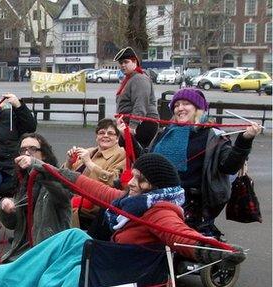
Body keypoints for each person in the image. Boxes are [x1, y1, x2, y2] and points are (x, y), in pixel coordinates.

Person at [0, 153, 246, 287]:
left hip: (121, 277)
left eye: (140, 179)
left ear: (156, 187)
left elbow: (181, 236)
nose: (131, 183)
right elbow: (90, 187)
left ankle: (8, 279)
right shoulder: (132, 201)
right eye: (134, 176)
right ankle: (12, 275)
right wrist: (45, 167)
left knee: (74, 245)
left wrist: (216, 251)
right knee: (74, 235)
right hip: (108, 268)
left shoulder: (161, 210)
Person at [119, 88, 263, 236]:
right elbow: (146, 162)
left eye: (186, 104)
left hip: (193, 205)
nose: (179, 108)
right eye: (176, 105)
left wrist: (245, 139)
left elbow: (229, 167)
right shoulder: (165, 132)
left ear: (198, 108)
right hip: (157, 197)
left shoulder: (213, 135)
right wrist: (127, 137)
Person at [0, 133, 72, 261]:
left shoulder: (54, 178)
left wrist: (35, 165)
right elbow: (12, 225)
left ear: (44, 154)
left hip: (47, 252)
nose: (26, 153)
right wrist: (5, 207)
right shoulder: (23, 181)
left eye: (32, 149)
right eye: (23, 150)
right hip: (22, 252)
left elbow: (64, 194)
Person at [66, 118, 126, 229]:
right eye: (101, 133)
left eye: (111, 133)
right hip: (72, 204)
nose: (105, 135)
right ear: (96, 137)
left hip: (92, 212)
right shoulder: (89, 151)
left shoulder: (122, 154)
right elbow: (65, 176)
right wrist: (69, 162)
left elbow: (113, 182)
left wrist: (89, 162)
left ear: (117, 138)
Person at [114, 46, 159, 148]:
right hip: (132, 123)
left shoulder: (139, 79)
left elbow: (140, 104)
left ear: (134, 62)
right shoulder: (130, 79)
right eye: (121, 63)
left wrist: (132, 127)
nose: (123, 65)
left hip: (142, 124)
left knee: (133, 155)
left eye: (126, 62)